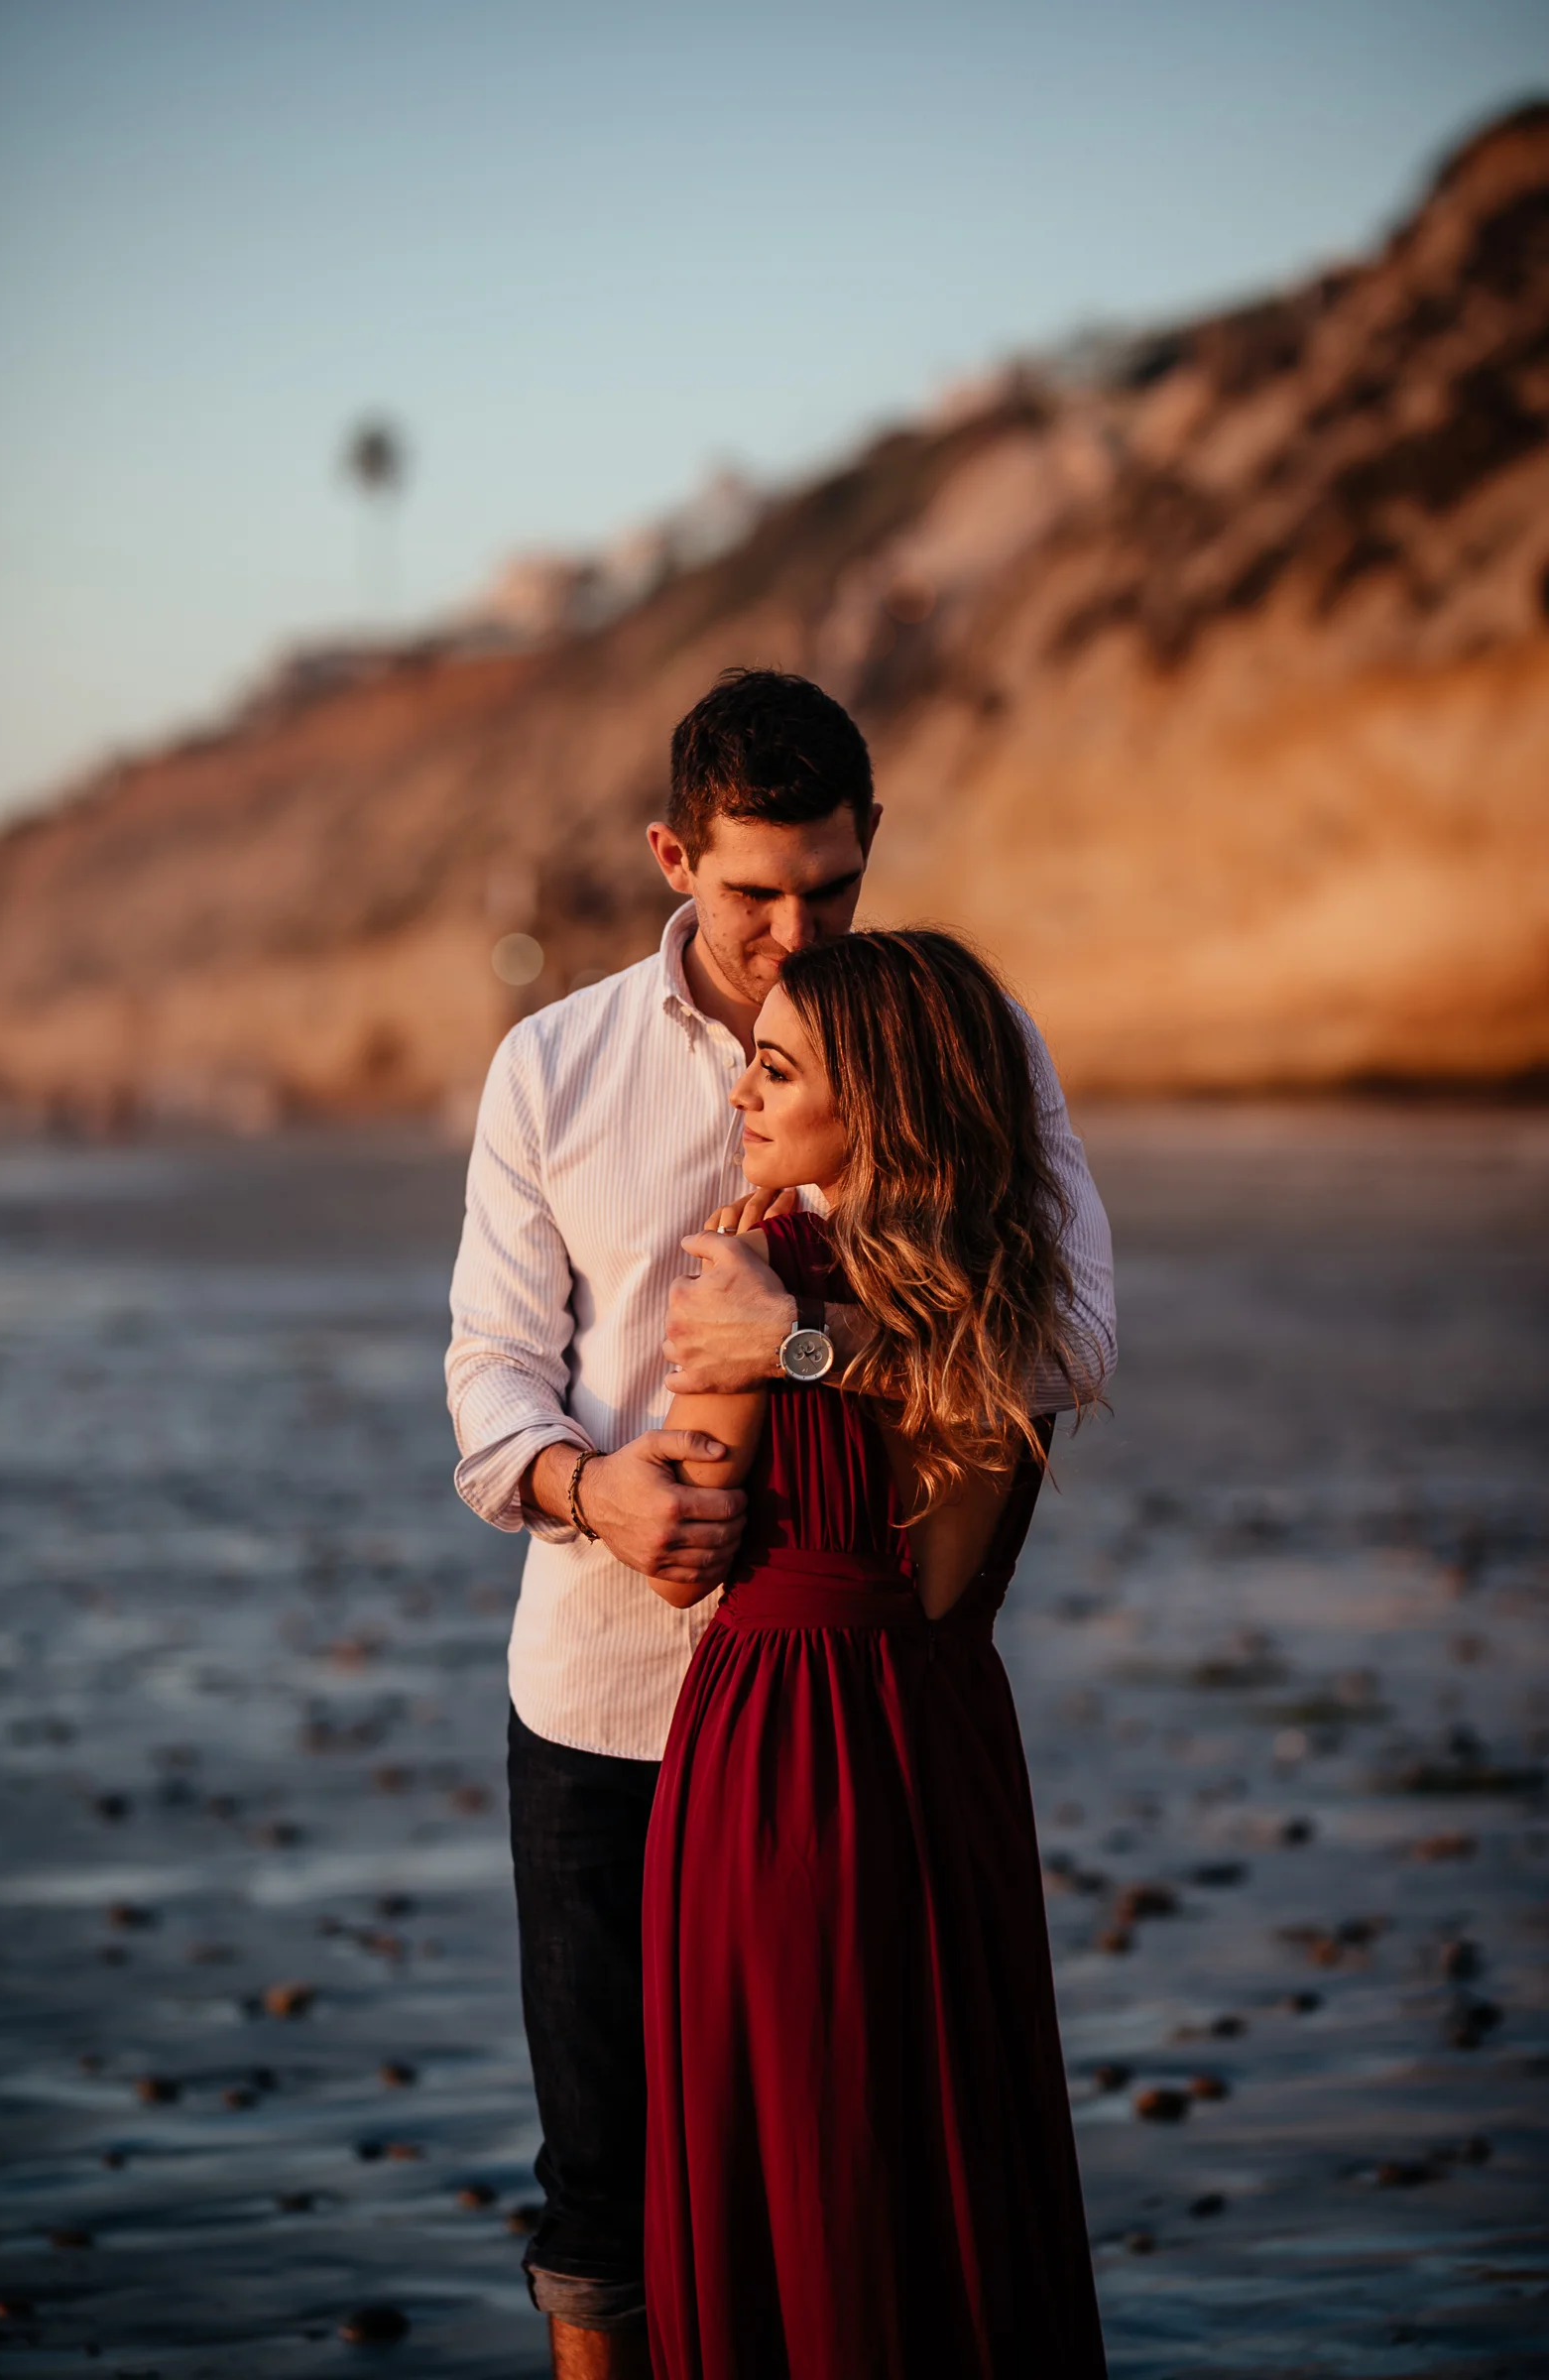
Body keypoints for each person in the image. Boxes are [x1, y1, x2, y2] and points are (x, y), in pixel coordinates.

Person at [445, 668, 1115, 2379]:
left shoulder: (958, 1035)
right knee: (609, 2193)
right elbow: (490, 1387)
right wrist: (593, 1486)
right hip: (602, 1700)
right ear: (676, 854)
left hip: (860, 1718)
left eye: (833, 887)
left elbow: (1070, 1344)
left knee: (870, 2161)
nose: (796, 930)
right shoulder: (554, 1065)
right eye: (756, 893)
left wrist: (804, 1342)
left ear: (872, 846)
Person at [641, 929, 1106, 2378]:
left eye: (777, 1070)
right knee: (947, 2138)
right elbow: (962, 1529)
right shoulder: (1010, 1287)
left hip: (777, 1760)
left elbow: (684, 1559)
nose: (744, 1100)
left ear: (879, 1103)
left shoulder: (751, 1279)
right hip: (948, 1747)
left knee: (797, 2145)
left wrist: (735, 1379)